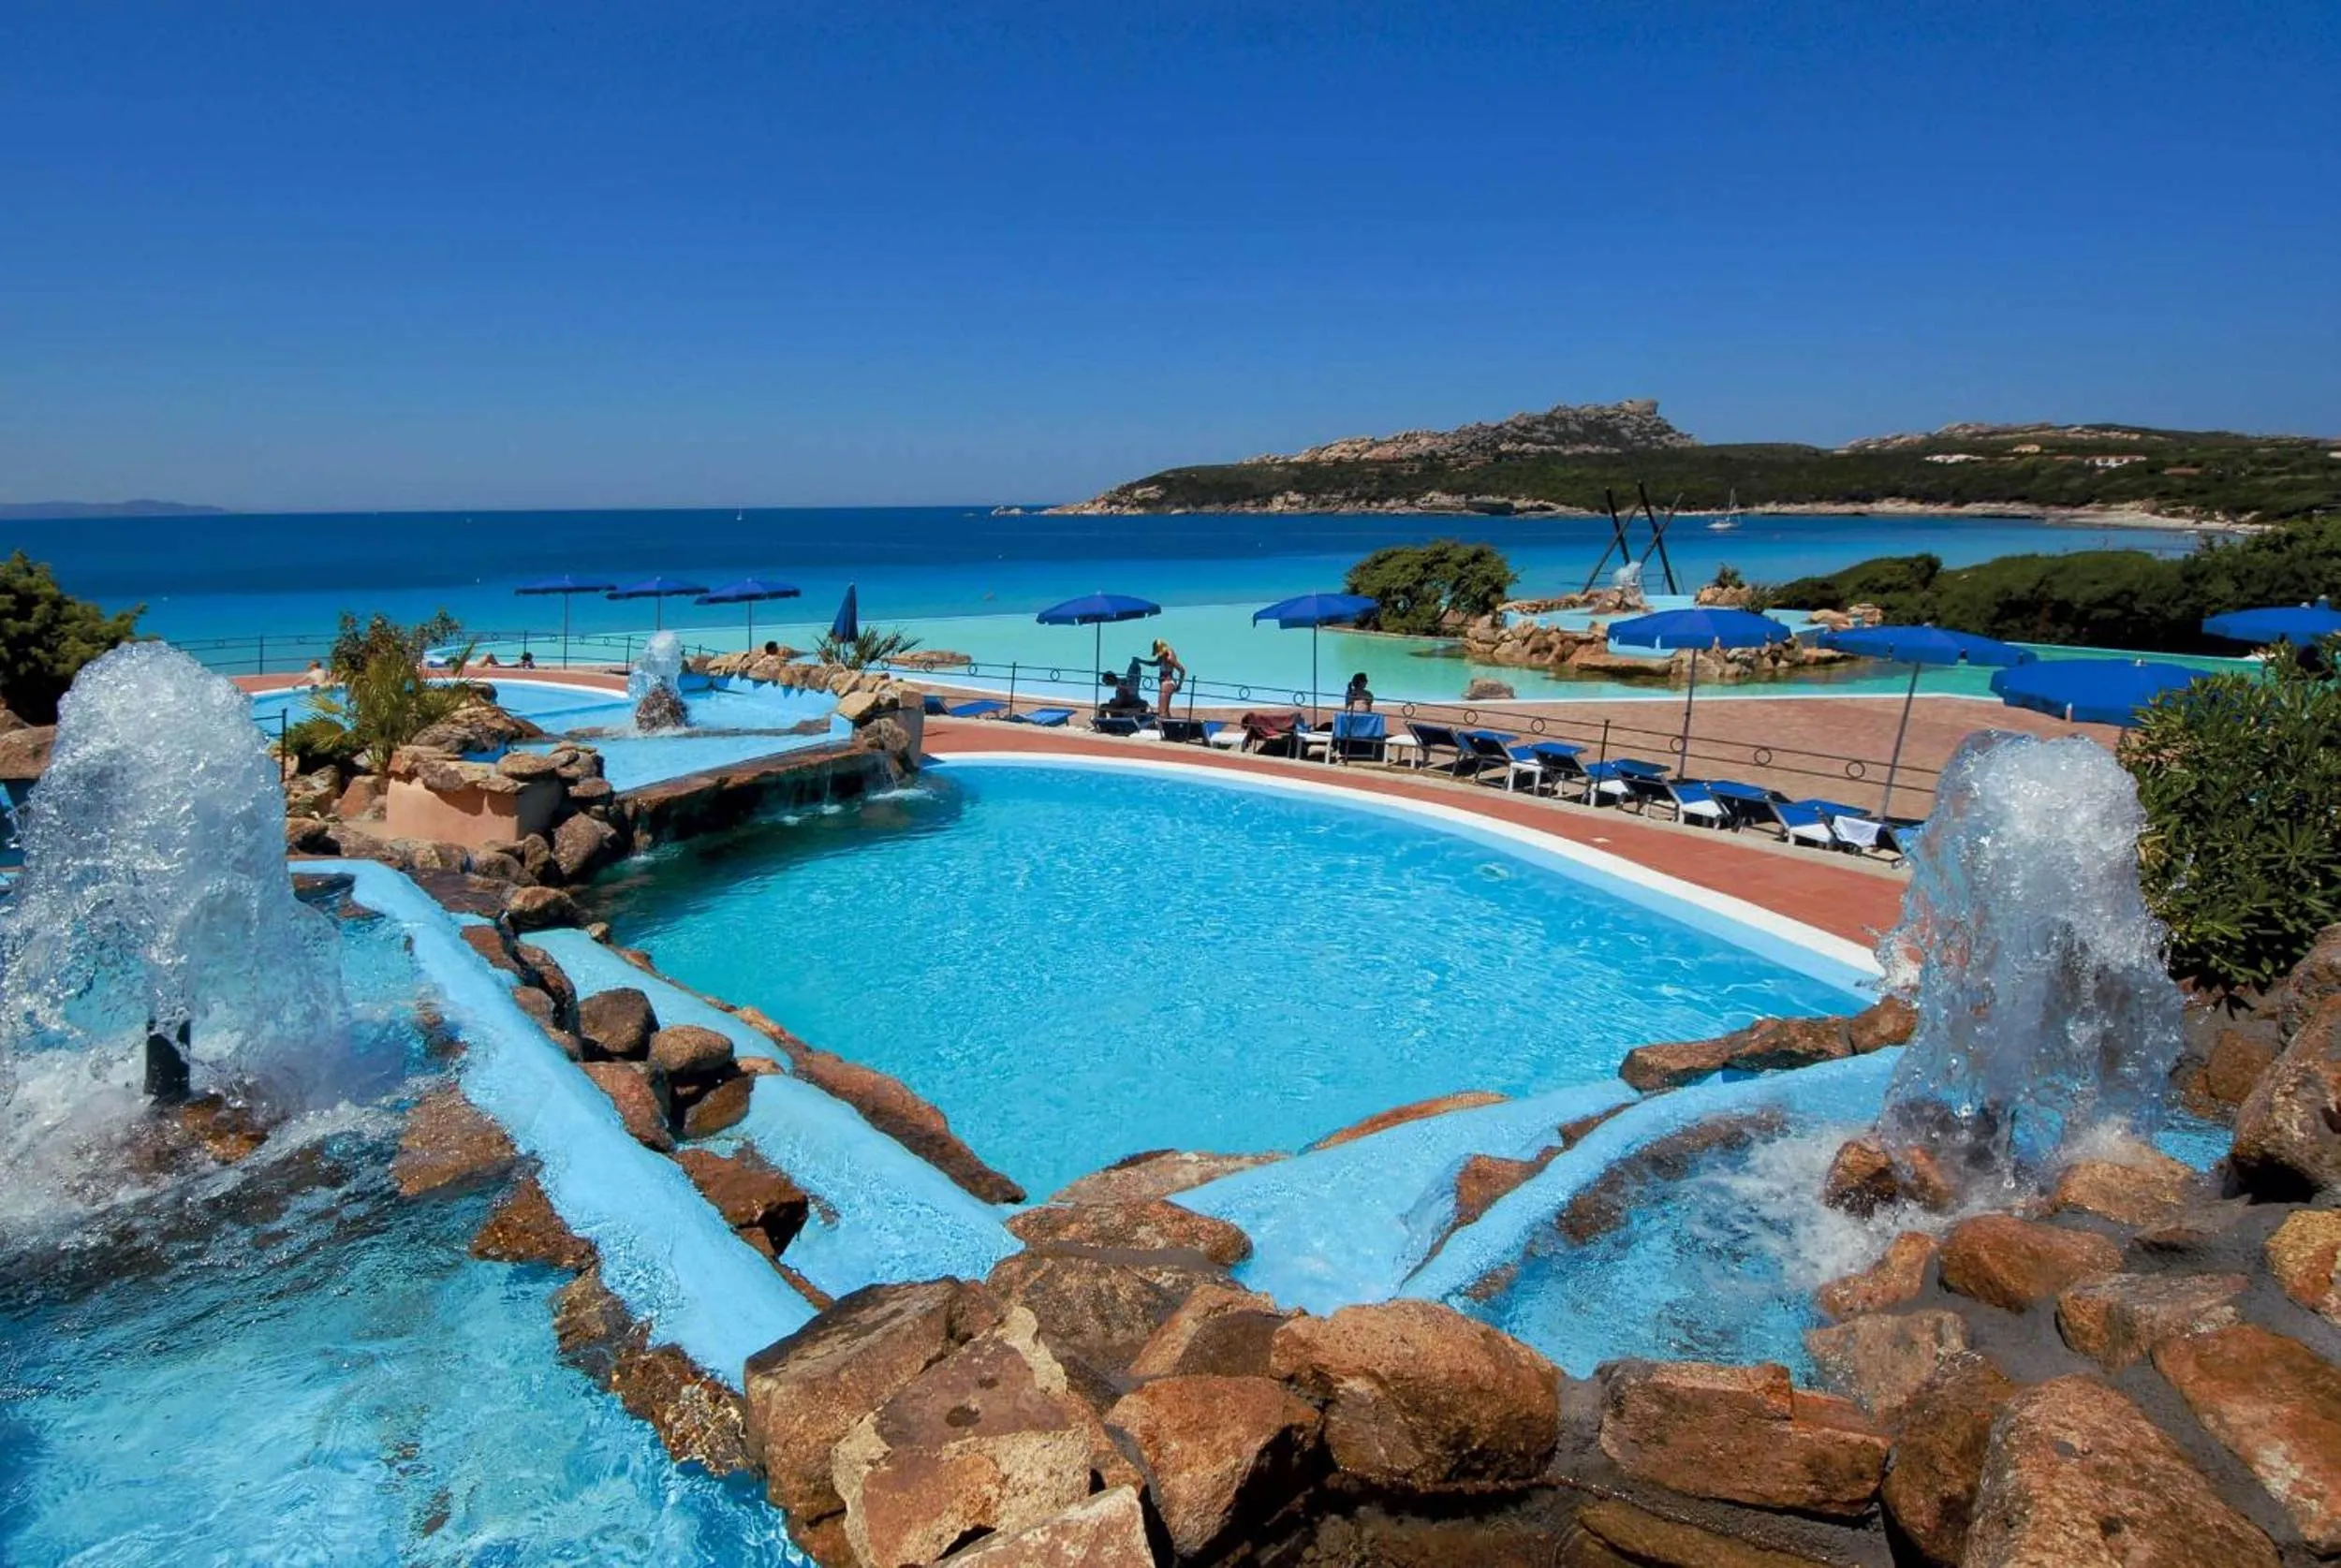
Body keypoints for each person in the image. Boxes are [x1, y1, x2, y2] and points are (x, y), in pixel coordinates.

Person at [1142, 638, 1186, 711]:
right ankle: (1167, 722)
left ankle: (1166, 722)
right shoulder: (1163, 654)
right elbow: (1156, 663)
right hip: (1163, 682)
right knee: (1163, 710)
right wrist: (1142, 661)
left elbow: (1182, 670)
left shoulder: (1170, 657)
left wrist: (1179, 685)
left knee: (1162, 710)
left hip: (1167, 682)